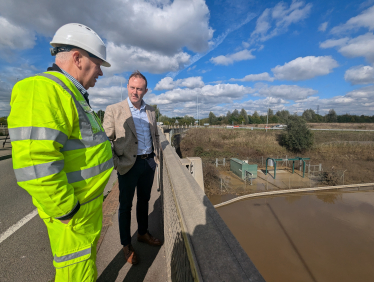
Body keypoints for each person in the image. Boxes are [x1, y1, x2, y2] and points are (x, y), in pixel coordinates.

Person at [8, 23, 113, 281]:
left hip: (86, 211)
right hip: (74, 217)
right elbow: (35, 163)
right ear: (77, 58)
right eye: (98, 63)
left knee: (85, 270)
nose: (100, 71)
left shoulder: (71, 93)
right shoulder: (42, 89)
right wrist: (67, 210)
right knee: (75, 275)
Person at [103, 71, 162, 265]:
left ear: (145, 90)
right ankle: (126, 245)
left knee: (144, 200)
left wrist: (156, 157)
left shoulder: (151, 111)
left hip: (148, 162)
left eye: (139, 88)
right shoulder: (114, 109)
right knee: (125, 206)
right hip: (128, 164)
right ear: (127, 87)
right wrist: (116, 163)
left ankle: (142, 233)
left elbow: (156, 136)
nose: (135, 92)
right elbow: (105, 140)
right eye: (132, 87)